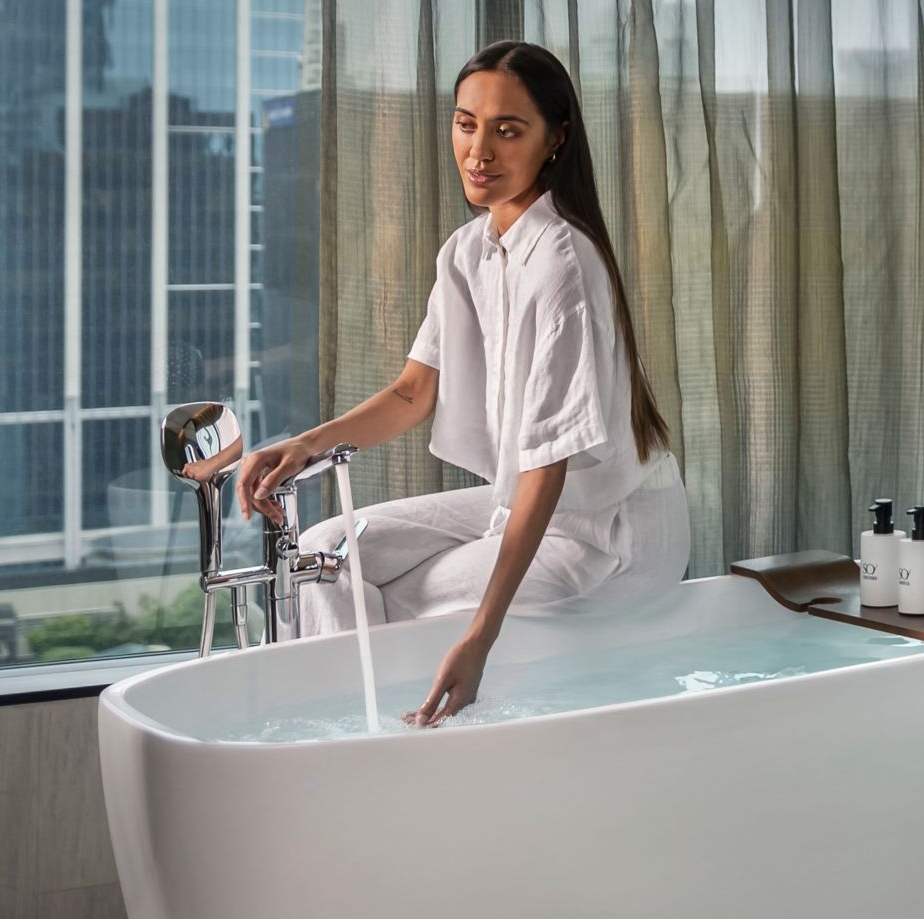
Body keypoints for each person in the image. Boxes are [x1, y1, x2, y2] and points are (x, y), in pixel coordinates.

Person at [232, 40, 686, 725]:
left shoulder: (565, 268)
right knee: (325, 554)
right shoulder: (469, 250)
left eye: (509, 131)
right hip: (523, 500)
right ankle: (352, 730)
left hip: (607, 535)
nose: (480, 151)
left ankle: (365, 742)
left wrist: (481, 635)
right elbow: (416, 391)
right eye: (466, 123)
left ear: (555, 141)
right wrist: (305, 446)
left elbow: (549, 469)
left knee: (399, 597)